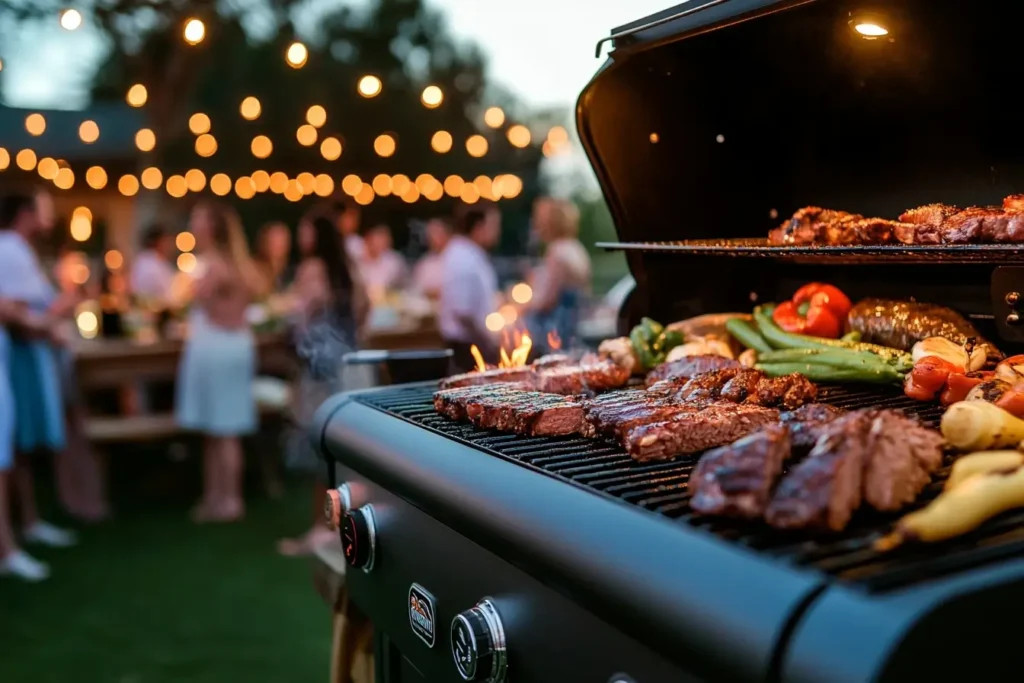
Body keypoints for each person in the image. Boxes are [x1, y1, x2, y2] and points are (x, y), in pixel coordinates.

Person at [277, 208, 368, 556]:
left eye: (303, 229)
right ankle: (343, 525)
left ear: (316, 234)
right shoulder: (348, 268)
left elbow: (298, 313)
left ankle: (321, 528)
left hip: (318, 369)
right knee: (342, 446)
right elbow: (365, 306)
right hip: (346, 365)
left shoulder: (312, 269)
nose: (300, 236)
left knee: (319, 447)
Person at [0, 193, 77, 577]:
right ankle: (11, 542)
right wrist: (56, 315)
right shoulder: (10, 250)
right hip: (19, 358)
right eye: (42, 209)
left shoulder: (18, 250)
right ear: (25, 214)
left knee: (16, 448)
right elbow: (17, 311)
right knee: (12, 448)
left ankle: (25, 525)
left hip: (19, 355)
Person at [176, 201, 263, 523]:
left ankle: (229, 499)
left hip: (218, 347)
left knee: (223, 429)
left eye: (197, 219)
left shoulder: (213, 265)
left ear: (212, 228)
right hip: (234, 345)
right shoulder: (239, 263)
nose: (193, 227)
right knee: (219, 427)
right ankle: (215, 496)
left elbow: (192, 300)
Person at [439, 204, 502, 373]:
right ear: (478, 227)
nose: (497, 231)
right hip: (467, 347)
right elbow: (462, 311)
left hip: (473, 342)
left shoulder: (471, 253)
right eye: (494, 225)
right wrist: (487, 341)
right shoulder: (461, 257)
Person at [524, 198, 591, 353]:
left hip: (558, 333)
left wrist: (520, 307)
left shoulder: (557, 251)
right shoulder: (576, 247)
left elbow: (547, 301)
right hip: (575, 327)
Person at [130, 224, 176, 305]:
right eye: (167, 241)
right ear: (160, 242)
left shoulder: (140, 260)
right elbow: (169, 295)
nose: (170, 245)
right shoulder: (155, 265)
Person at [360, 223, 408, 298]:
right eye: (378, 238)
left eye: (384, 239)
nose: (381, 243)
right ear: (368, 239)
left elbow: (403, 285)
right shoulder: (358, 260)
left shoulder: (394, 261)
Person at [412, 217, 452, 298]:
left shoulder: (459, 258)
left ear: (447, 234)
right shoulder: (425, 263)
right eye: (430, 234)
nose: (433, 238)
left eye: (437, 233)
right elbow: (416, 290)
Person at [254, 221, 292, 294]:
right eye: (274, 240)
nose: (280, 245)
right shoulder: (255, 272)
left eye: (283, 240)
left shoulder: (290, 273)